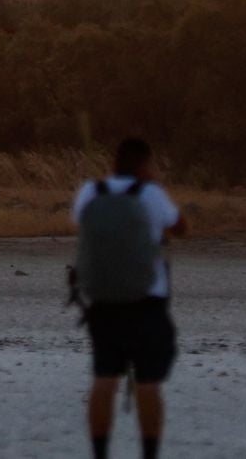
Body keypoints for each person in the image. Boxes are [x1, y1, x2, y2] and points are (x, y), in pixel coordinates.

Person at [71, 137, 188, 459]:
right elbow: (181, 227)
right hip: (146, 302)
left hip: (103, 301)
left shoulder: (90, 192)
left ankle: (100, 453)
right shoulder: (151, 193)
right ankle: (149, 453)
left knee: (104, 378)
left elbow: (82, 225)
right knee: (148, 382)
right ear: (144, 164)